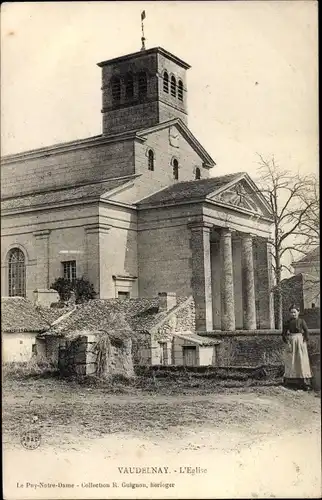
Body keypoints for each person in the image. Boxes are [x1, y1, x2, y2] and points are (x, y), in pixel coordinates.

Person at [282, 305, 312, 390]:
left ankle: (304, 382)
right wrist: (287, 342)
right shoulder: (287, 322)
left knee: (301, 360)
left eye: (295, 312)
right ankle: (291, 382)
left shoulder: (301, 321)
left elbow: (306, 331)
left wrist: (305, 340)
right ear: (289, 313)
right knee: (291, 360)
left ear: (298, 312)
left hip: (300, 341)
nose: (293, 314)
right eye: (291, 312)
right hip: (291, 341)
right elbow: (283, 333)